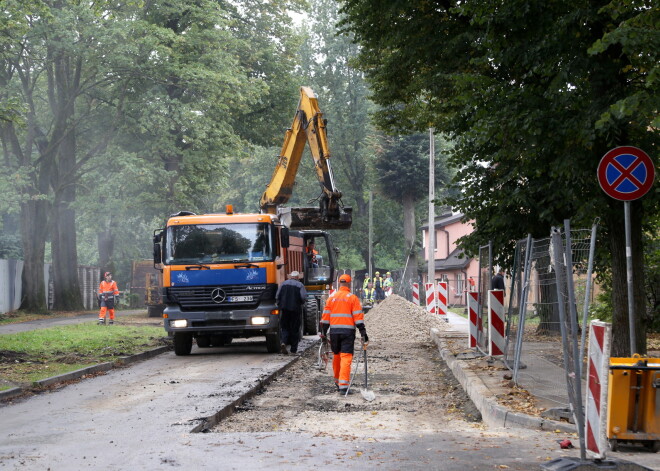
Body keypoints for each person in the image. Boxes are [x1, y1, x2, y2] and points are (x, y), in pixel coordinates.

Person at [321, 273, 368, 395]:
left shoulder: (332, 298)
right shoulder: (352, 298)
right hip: (347, 332)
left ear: (340, 283)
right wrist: (363, 332)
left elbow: (325, 317)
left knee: (336, 356)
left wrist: (323, 332)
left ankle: (338, 381)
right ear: (349, 283)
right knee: (346, 357)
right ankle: (343, 386)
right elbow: (358, 317)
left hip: (334, 332)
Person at [276, 271, 307, 354]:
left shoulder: (283, 284)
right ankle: (293, 350)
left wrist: (280, 305)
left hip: (284, 310)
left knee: (285, 327)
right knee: (295, 329)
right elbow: (303, 297)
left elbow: (277, 295)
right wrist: (301, 303)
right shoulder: (300, 285)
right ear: (297, 277)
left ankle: (283, 342)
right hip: (295, 310)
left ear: (290, 277)